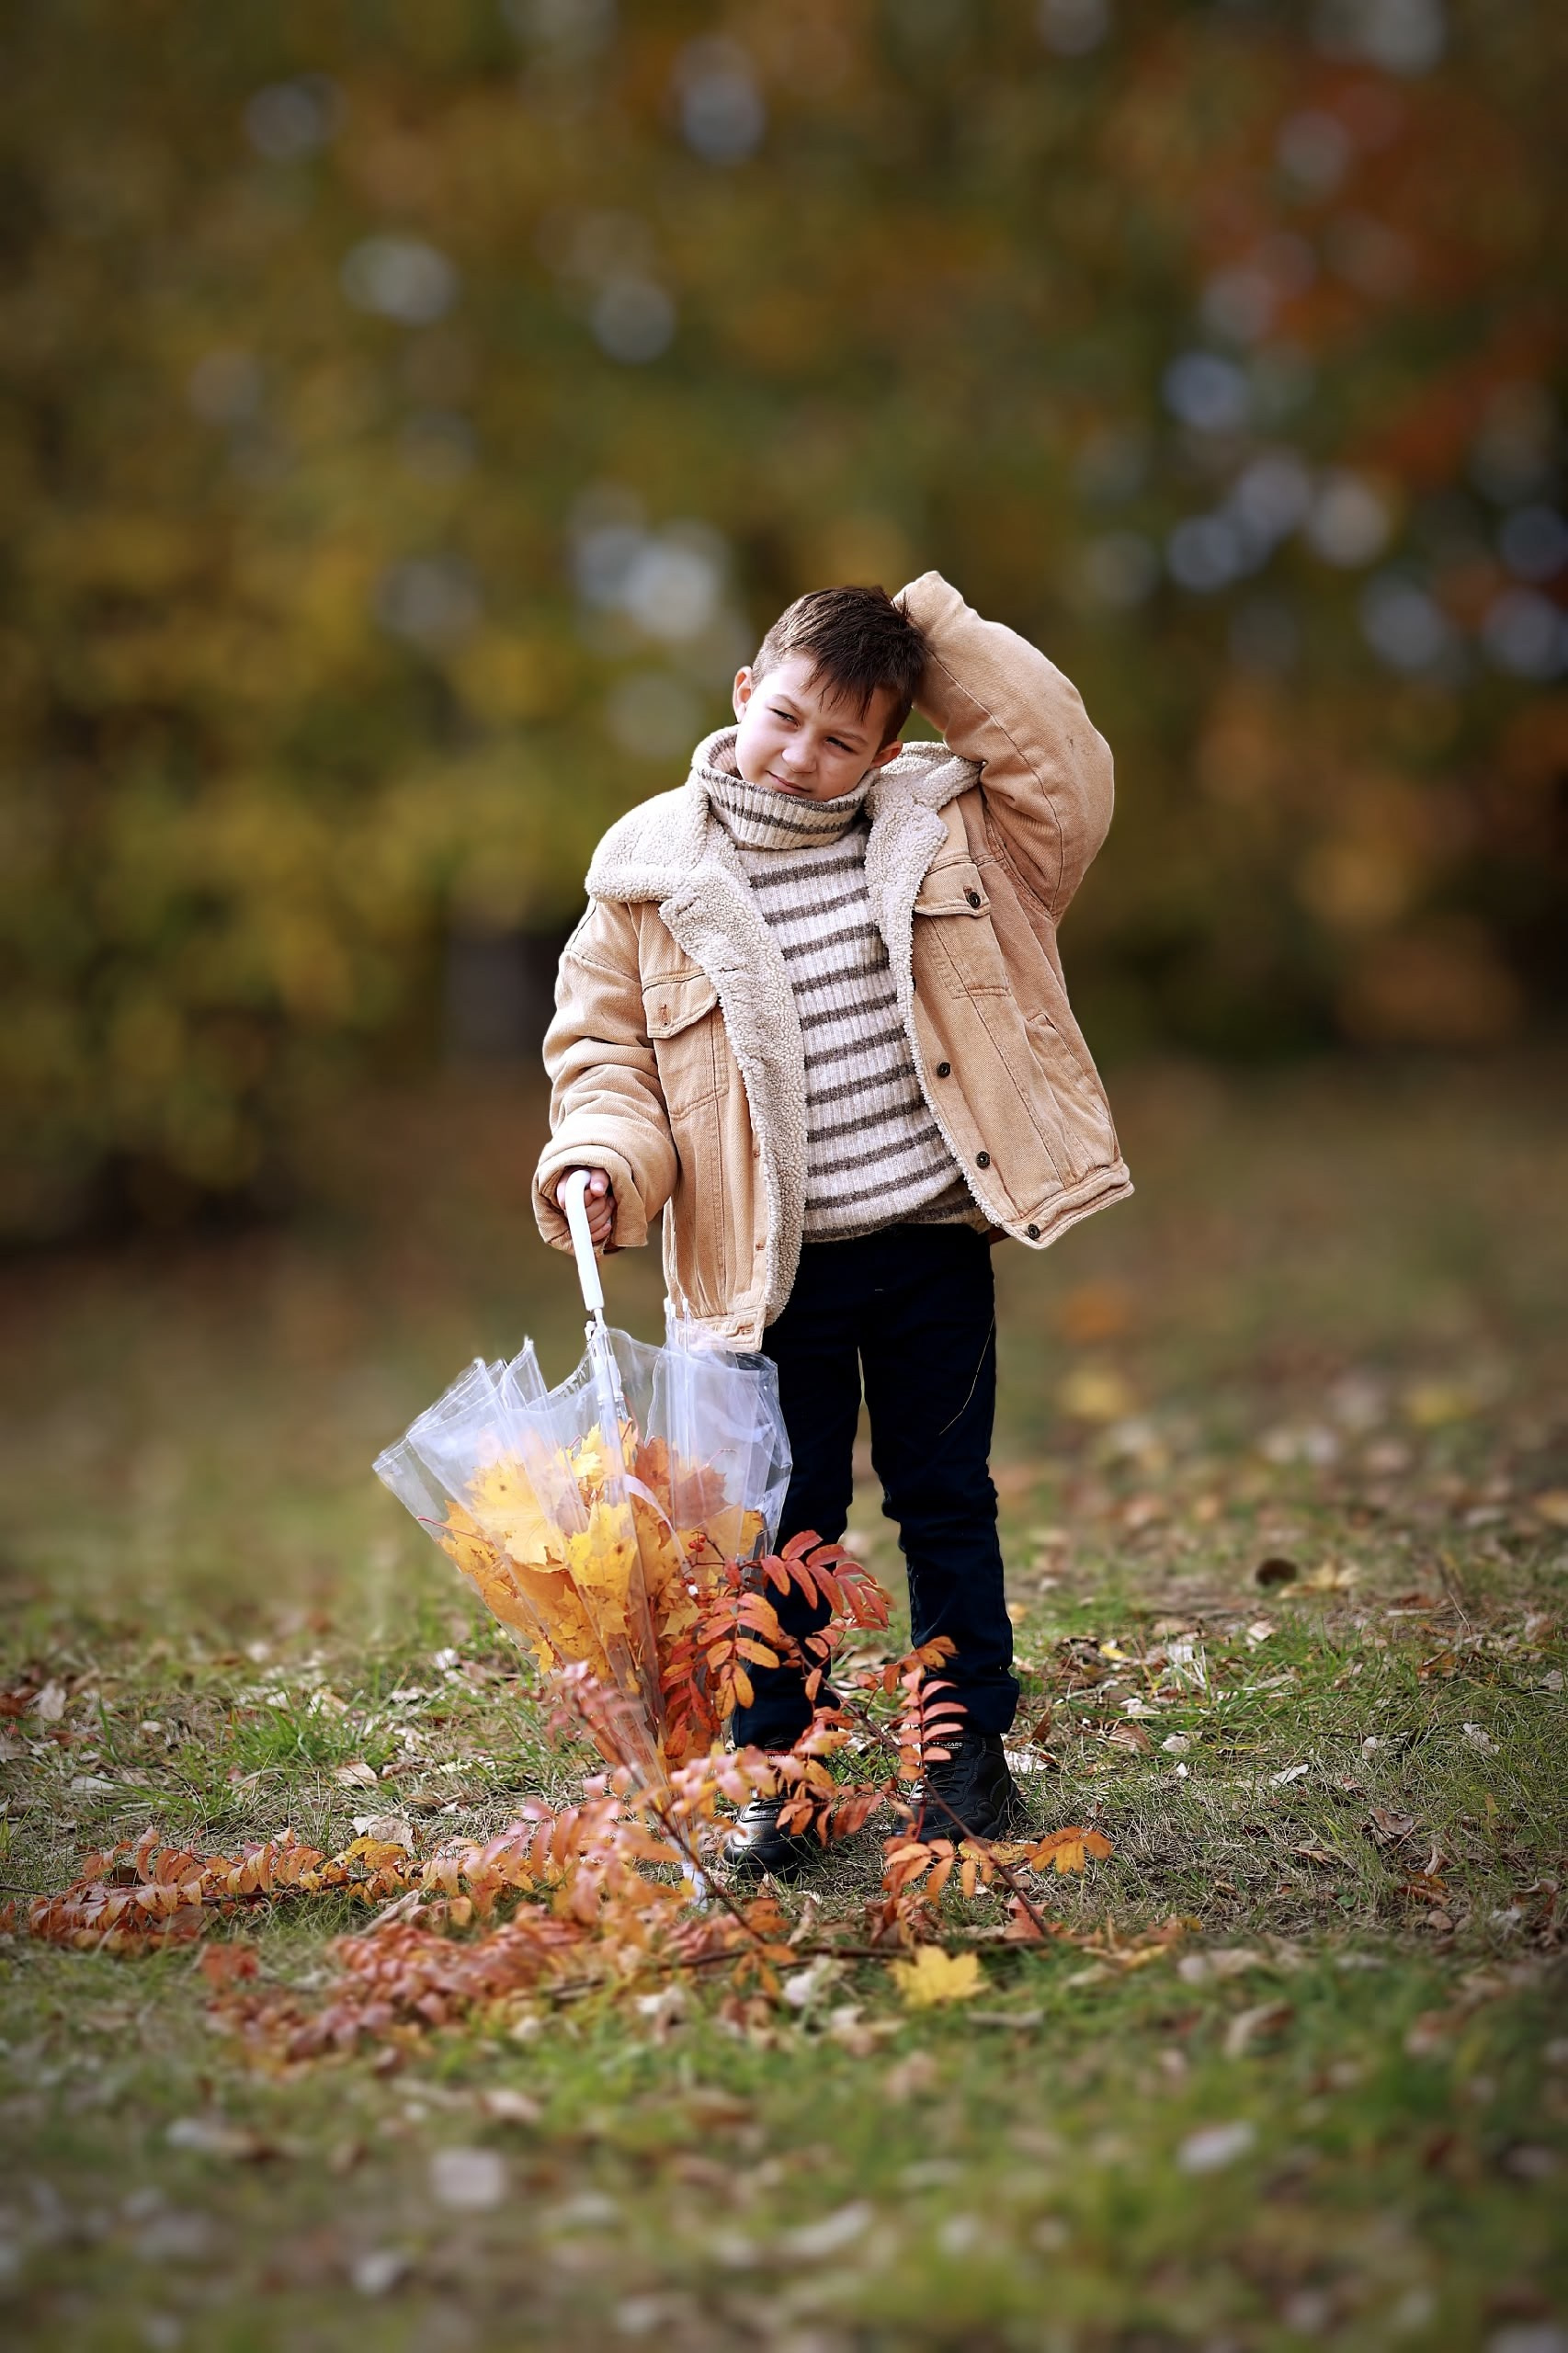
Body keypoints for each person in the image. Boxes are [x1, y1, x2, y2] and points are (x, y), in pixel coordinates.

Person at [532, 573, 1131, 1873]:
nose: (803, 758)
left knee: (944, 1503)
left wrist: (934, 625)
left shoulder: (948, 829)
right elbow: (605, 1061)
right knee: (779, 1535)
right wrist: (599, 1161)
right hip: (766, 1272)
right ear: (744, 693)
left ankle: (964, 1759)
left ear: (889, 747)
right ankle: (780, 1780)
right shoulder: (647, 874)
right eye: (787, 719)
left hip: (924, 1245)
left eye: (842, 739)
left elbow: (1065, 771)